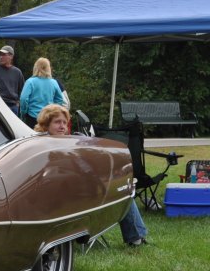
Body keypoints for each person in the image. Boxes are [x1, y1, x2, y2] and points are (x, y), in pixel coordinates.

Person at [35, 103, 148, 247]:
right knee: (123, 192)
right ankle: (136, 237)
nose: (62, 126)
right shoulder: (42, 145)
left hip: (82, 189)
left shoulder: (69, 141)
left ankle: (137, 236)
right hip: (70, 195)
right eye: (57, 122)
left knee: (124, 189)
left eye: (64, 122)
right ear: (46, 124)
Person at [19, 57, 64, 127]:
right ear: (48, 68)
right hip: (48, 118)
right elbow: (60, 100)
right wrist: (53, 112)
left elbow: (23, 98)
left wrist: (24, 112)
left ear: (35, 67)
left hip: (32, 117)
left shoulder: (30, 82)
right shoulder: (54, 82)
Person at [0, 45, 25, 116]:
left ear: (11, 56)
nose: (1, 57)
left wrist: (18, 102)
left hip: (13, 107)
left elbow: (22, 89)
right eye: (0, 55)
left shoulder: (17, 72)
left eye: (4, 55)